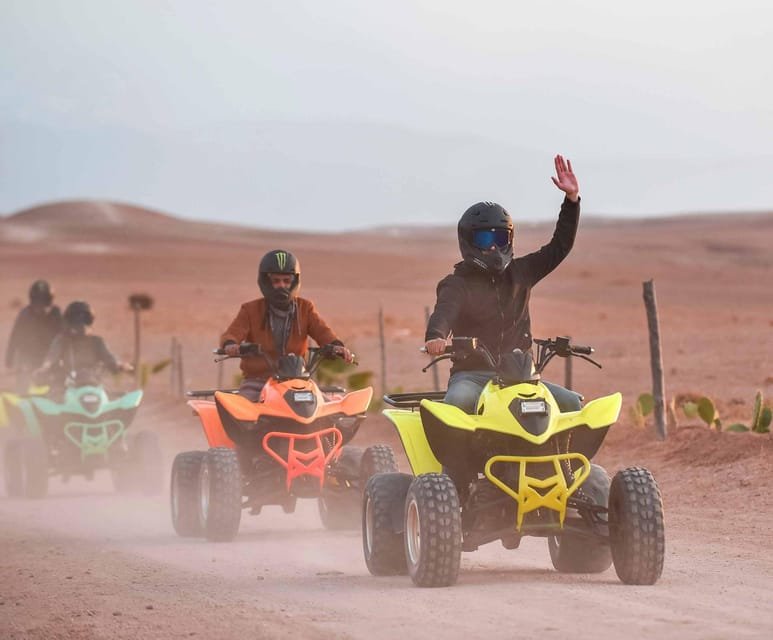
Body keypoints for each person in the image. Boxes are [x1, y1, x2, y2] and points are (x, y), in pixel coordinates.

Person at [424, 154, 583, 414]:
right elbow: (444, 312)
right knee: (457, 404)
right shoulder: (457, 284)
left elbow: (560, 246)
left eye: (500, 236)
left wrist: (572, 200)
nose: (494, 246)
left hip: (521, 375)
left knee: (570, 404)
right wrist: (436, 336)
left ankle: (563, 456)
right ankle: (464, 456)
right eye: (486, 238)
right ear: (469, 240)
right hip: (473, 376)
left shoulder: (522, 272)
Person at [221, 249, 353, 402]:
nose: (281, 285)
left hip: (297, 381)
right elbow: (233, 333)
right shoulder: (250, 310)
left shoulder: (305, 308)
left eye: (286, 280)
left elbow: (322, 331)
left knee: (329, 411)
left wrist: (336, 346)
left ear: (294, 282)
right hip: (258, 382)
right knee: (241, 411)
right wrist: (230, 344)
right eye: (276, 281)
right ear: (266, 282)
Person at [33, 301, 133, 390]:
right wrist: (44, 369)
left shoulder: (97, 342)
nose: (80, 324)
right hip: (66, 387)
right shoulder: (62, 341)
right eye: (76, 320)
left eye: (84, 320)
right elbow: (51, 358)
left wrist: (123, 367)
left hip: (94, 386)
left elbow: (110, 359)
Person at [4, 280, 63, 393]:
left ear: (50, 302)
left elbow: (65, 338)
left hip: (49, 355)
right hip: (28, 355)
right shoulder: (25, 314)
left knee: (56, 385)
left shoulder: (57, 314)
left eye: (44, 304)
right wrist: (9, 359)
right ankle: (22, 399)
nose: (40, 308)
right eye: (37, 304)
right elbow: (15, 337)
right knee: (23, 384)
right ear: (32, 302)